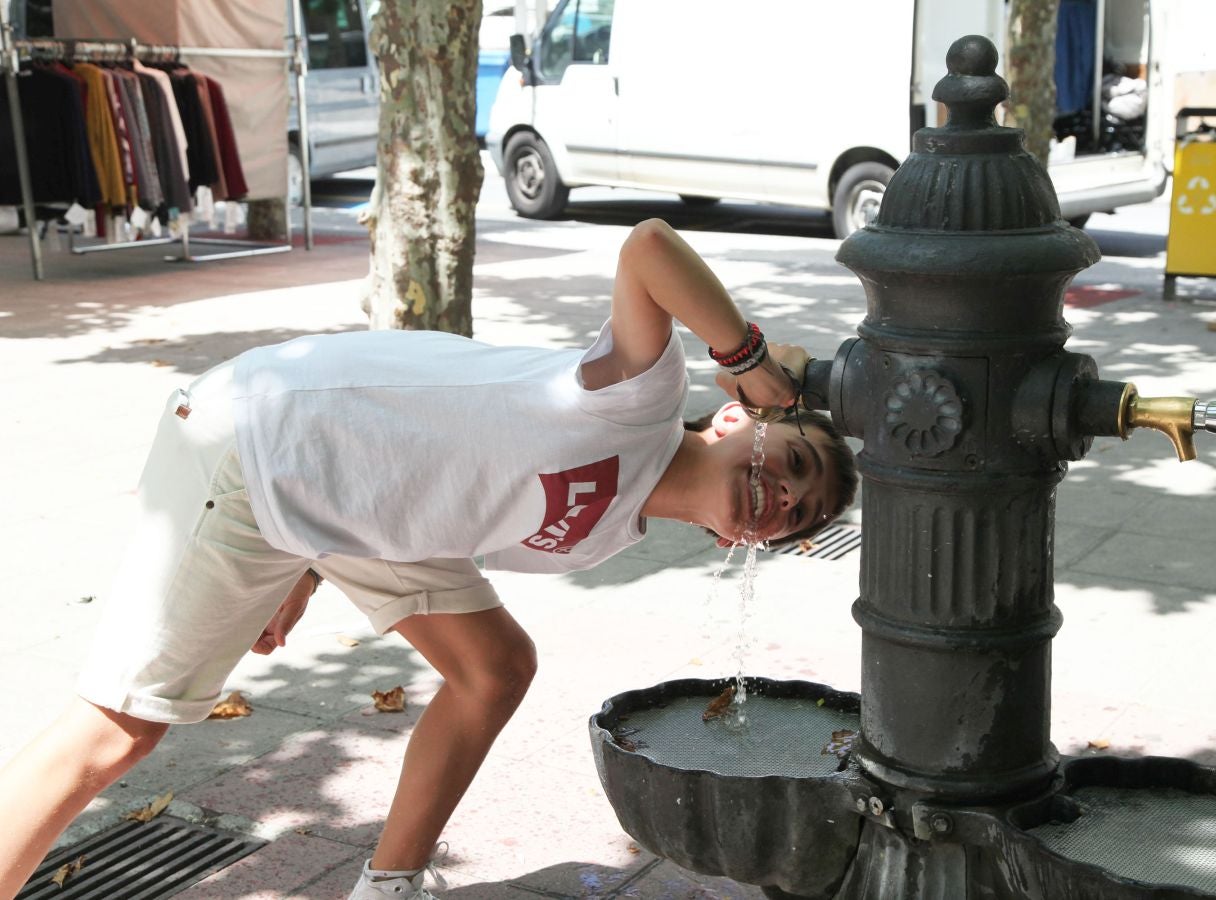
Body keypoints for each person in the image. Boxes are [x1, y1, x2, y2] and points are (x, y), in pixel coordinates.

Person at [0, 218, 858, 900]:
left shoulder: (612, 535)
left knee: (496, 666)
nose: (784, 499)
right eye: (795, 463)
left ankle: (389, 885)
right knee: (118, 732)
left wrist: (307, 567)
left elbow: (438, 488)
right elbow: (648, 249)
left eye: (798, 516)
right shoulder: (641, 396)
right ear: (737, 421)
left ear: (739, 543)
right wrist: (748, 358)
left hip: (339, 503)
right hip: (259, 446)